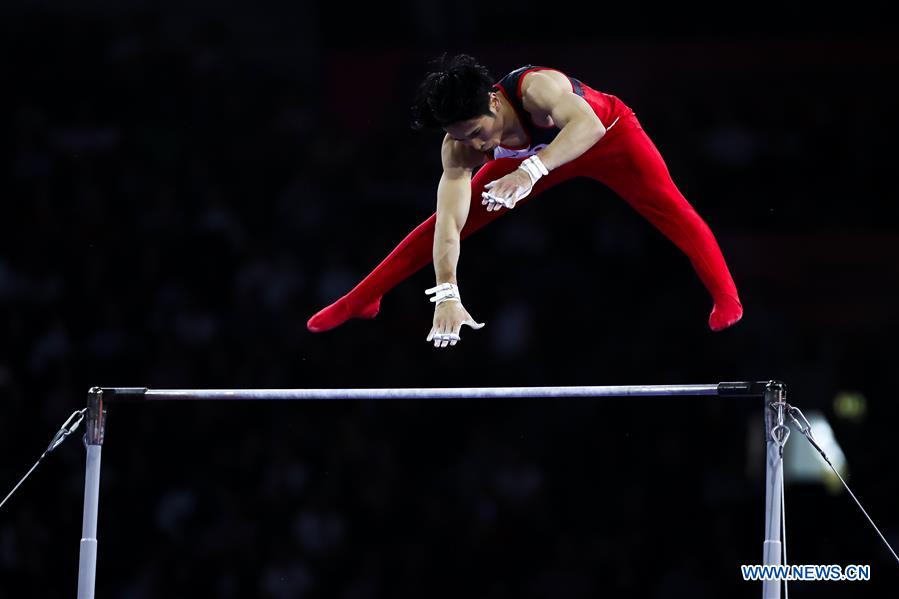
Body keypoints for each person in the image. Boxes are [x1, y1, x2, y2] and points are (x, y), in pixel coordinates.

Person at [307, 54, 743, 348]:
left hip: (607, 137)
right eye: (462, 138)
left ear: (495, 101)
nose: (476, 146)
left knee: (671, 208)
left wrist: (529, 171)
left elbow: (586, 128)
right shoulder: (459, 146)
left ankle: (727, 298)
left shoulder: (537, 89)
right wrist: (447, 293)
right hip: (529, 162)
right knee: (440, 220)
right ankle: (361, 300)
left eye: (478, 132)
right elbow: (448, 226)